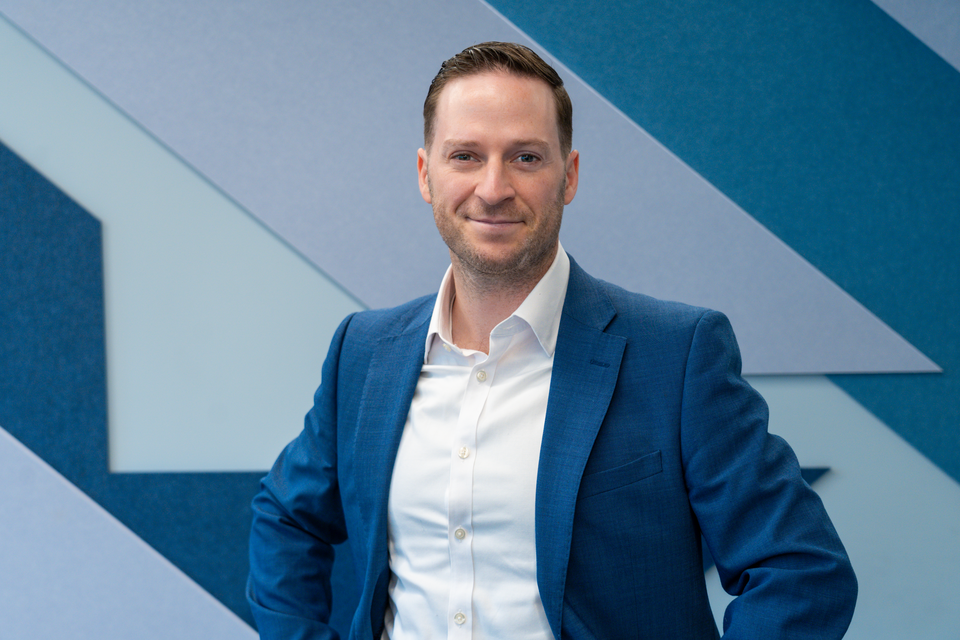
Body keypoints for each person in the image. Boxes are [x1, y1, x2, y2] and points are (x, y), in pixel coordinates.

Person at [247, 42, 857, 639]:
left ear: (568, 176)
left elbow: (801, 570)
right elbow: (285, 515)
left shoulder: (677, 355)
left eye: (525, 157)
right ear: (426, 174)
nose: (493, 188)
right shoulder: (363, 352)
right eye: (465, 156)